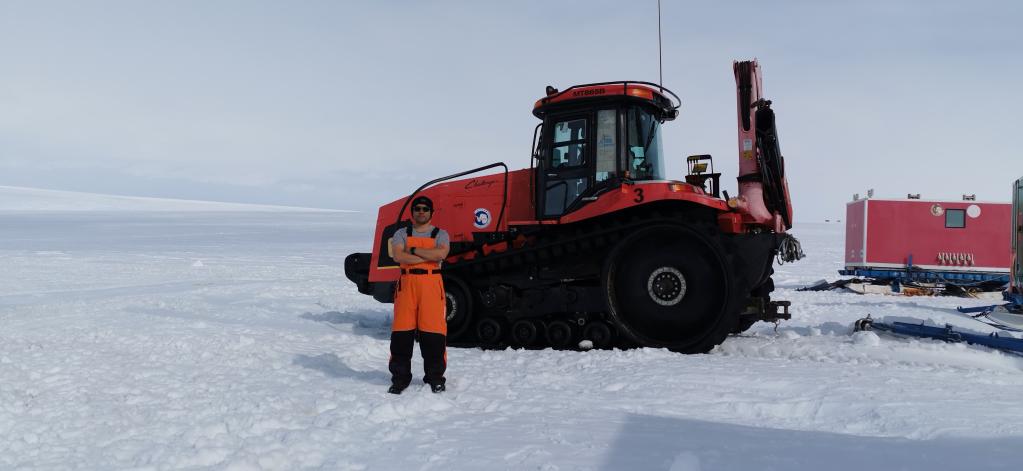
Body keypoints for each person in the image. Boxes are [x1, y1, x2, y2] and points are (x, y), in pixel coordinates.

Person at [387, 195, 450, 394]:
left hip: (432, 285)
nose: (421, 212)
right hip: (407, 285)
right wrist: (426, 255)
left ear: (432, 212)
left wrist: (412, 249)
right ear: (412, 212)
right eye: (417, 208)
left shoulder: (441, 234)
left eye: (425, 209)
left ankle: (435, 377)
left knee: (433, 333)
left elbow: (441, 254)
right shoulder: (400, 233)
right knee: (402, 333)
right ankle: (400, 377)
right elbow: (398, 256)